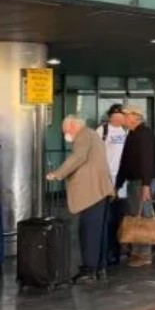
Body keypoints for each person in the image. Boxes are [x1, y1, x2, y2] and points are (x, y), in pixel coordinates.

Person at [48, 116, 114, 284]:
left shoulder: (84, 135)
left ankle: (89, 270)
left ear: (72, 125)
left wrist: (58, 173)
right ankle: (100, 267)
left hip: (92, 193)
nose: (66, 135)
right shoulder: (93, 134)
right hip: (100, 191)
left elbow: (79, 157)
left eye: (65, 131)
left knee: (89, 231)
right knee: (99, 232)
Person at [116, 106, 155, 268]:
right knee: (135, 217)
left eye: (126, 115)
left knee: (144, 218)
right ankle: (137, 251)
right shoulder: (132, 134)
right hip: (134, 182)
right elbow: (125, 161)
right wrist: (117, 184)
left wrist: (146, 184)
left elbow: (147, 160)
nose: (123, 117)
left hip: (141, 182)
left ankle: (144, 254)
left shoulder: (144, 133)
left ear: (135, 117)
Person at [97, 105, 130, 268]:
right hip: (106, 180)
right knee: (107, 218)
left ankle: (117, 251)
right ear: (111, 116)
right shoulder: (102, 131)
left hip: (122, 181)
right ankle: (107, 253)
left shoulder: (125, 131)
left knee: (119, 218)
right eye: (118, 114)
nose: (121, 117)